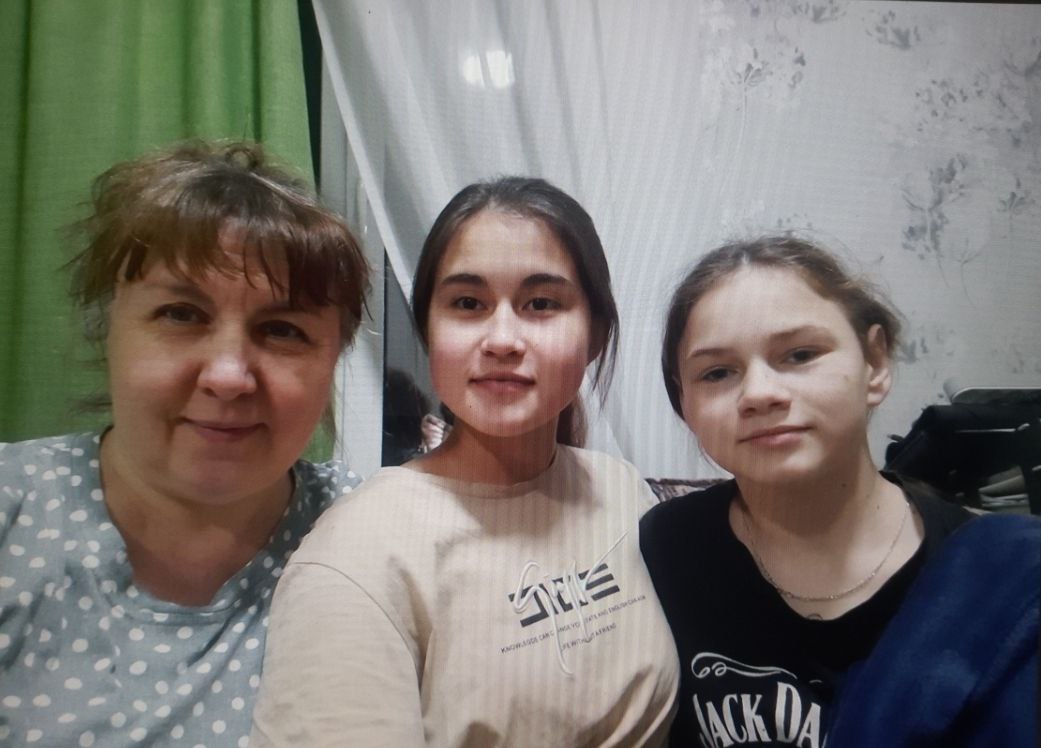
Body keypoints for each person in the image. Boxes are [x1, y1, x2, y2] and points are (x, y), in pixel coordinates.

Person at [251, 177, 679, 746]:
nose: (502, 339)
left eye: (541, 303)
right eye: (468, 304)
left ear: (595, 335)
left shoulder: (622, 490)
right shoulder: (358, 554)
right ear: (430, 330)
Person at [0, 140, 370, 747]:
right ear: (108, 330)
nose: (227, 375)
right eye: (180, 314)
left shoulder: (373, 534)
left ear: (332, 362)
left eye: (283, 330)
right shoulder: (12, 511)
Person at [639, 235, 1035, 747]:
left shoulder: (994, 583)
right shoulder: (668, 547)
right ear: (685, 404)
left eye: (800, 354)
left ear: (875, 363)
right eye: (717, 372)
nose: (759, 394)